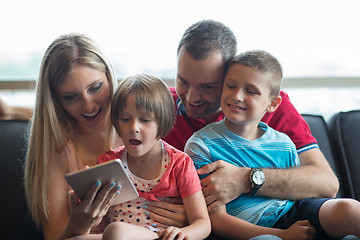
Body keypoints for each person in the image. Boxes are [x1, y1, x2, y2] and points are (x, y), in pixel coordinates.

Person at [146, 19, 339, 227]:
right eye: (183, 81)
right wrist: (197, 216)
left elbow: (326, 183)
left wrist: (247, 179)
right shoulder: (156, 108)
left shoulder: (269, 106)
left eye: (208, 86)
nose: (192, 97)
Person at [184, 50, 360, 239]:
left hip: (293, 212)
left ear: (273, 104)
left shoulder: (284, 143)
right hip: (248, 227)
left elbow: (301, 195)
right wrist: (284, 235)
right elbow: (215, 220)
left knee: (346, 209)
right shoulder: (201, 145)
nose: (237, 96)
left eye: (251, 91)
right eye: (231, 86)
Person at [24, 33, 123, 240]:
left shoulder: (140, 123)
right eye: (71, 97)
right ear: (56, 100)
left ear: (109, 76)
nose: (88, 105)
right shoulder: (58, 151)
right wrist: (78, 225)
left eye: (95, 88)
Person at [97, 73, 211, 240]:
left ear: (162, 123)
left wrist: (182, 233)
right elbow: (99, 227)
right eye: (125, 119)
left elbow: (203, 223)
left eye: (144, 120)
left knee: (116, 232)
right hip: (115, 235)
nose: (134, 127)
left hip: (159, 236)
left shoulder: (179, 163)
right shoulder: (109, 163)